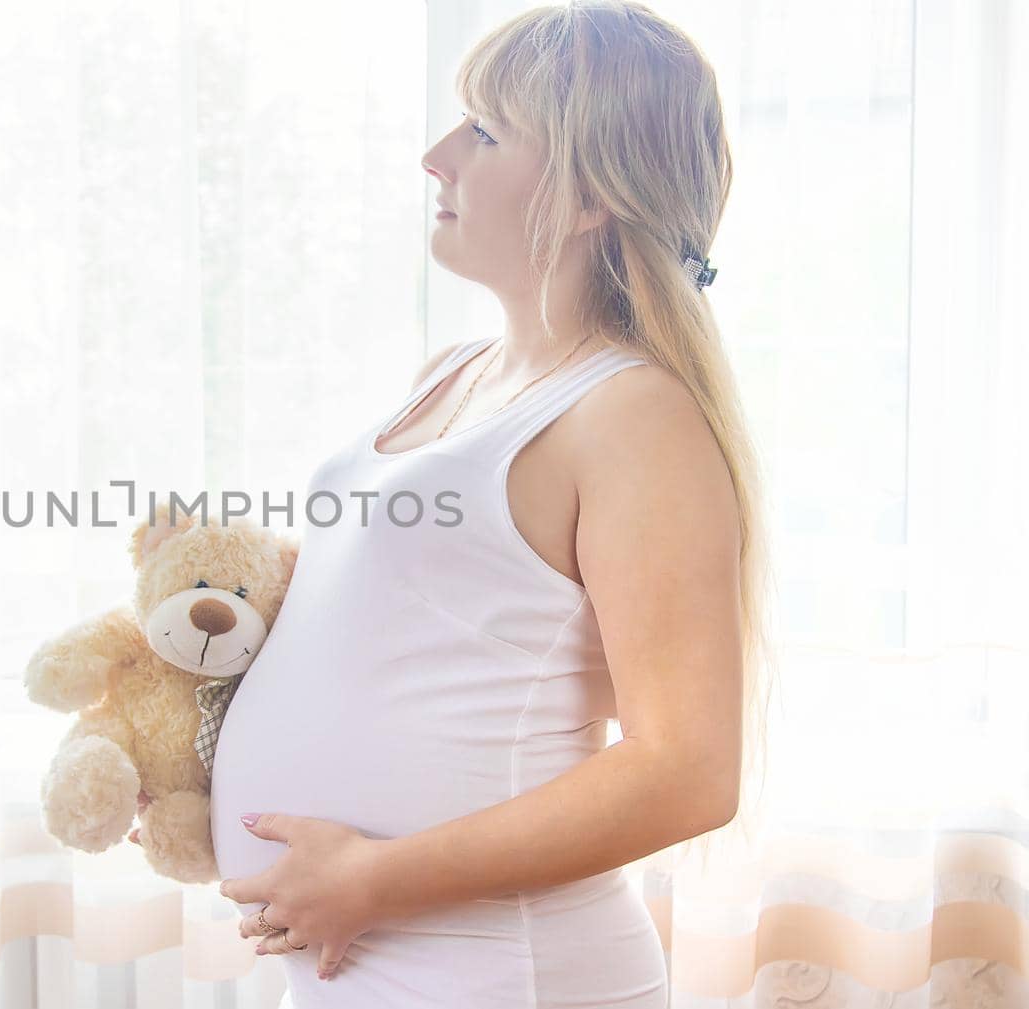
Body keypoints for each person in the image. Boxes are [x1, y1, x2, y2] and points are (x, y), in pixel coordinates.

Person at [133, 3, 778, 1006]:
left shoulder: (633, 415)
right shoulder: (456, 374)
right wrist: (183, 748)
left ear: (587, 197)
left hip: (499, 975)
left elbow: (688, 769)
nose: (437, 157)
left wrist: (374, 877)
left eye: (482, 131)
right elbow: (398, 642)